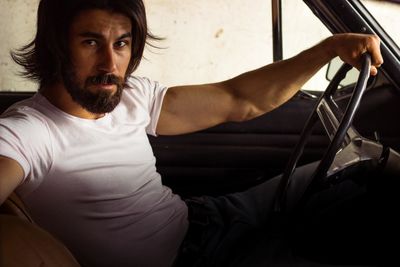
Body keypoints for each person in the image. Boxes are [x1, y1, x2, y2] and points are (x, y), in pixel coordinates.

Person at [0, 0, 383, 266]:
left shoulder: (132, 95)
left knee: (364, 172)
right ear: (56, 47)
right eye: (90, 42)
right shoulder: (30, 132)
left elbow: (238, 99)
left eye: (121, 43)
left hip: (210, 217)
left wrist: (327, 49)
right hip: (200, 260)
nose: (110, 63)